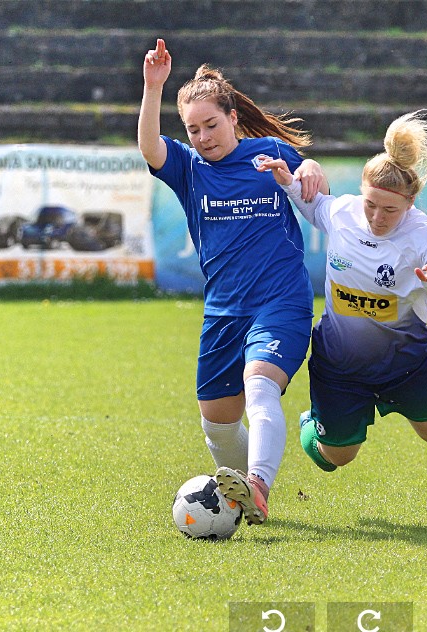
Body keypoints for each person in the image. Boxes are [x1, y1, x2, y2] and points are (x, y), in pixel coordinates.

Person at [258, 111, 427, 518]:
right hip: (340, 362)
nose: (377, 217)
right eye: (371, 204)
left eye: (390, 210)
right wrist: (289, 182)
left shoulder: (425, 236)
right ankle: (316, 424)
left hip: (404, 360)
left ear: (410, 203)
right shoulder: (343, 213)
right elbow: (315, 206)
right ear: (361, 193)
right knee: (336, 457)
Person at [137, 38, 329, 526]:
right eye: (193, 129)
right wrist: (153, 87)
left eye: (212, 125)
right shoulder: (188, 168)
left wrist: (311, 169)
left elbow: (312, 184)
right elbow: (150, 147)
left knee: (259, 385)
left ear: (233, 119)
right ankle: (244, 492)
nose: (203, 137)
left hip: (281, 302)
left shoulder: (270, 153)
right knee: (218, 425)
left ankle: (258, 485)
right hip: (224, 311)